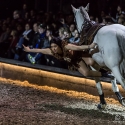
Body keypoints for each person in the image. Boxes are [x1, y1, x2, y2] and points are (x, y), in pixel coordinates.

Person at [23, 38, 111, 78]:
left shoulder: (66, 46)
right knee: (86, 73)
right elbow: (40, 50)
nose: (54, 48)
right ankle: (103, 75)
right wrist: (29, 50)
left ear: (59, 45)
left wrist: (89, 46)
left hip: (80, 53)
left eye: (55, 46)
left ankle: (106, 69)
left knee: (91, 62)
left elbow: (78, 48)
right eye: (52, 46)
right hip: (74, 60)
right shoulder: (51, 51)